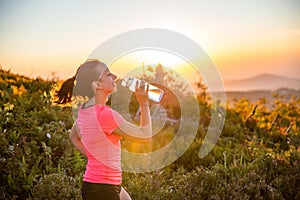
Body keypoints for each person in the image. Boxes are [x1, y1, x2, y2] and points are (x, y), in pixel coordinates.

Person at [56, 59, 152, 200]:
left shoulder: (84, 110)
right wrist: (144, 104)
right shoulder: (105, 115)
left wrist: (95, 159)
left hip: (96, 185)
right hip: (103, 189)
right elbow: (145, 136)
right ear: (97, 84)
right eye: (108, 74)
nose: (114, 77)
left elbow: (74, 137)